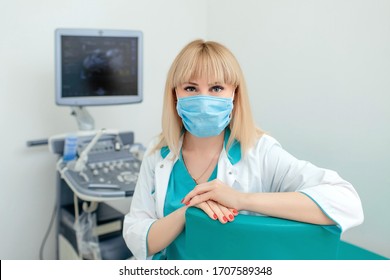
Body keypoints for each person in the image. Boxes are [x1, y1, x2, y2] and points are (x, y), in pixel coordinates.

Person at [123, 39, 364, 260]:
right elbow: (136, 237)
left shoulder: (260, 152)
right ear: (174, 94)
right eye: (191, 88)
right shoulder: (158, 156)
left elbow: (346, 202)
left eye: (216, 88)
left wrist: (241, 200)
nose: (204, 100)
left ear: (234, 94)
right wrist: (187, 214)